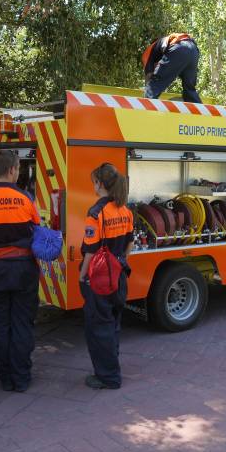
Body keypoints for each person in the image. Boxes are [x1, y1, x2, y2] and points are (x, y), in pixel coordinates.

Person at [0, 150, 41, 392]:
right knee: (22, 323)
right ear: (13, 170)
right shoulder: (26, 199)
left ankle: (5, 378)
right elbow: (37, 231)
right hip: (23, 269)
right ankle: (21, 377)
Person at [79, 163, 134, 389]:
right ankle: (112, 366)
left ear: (100, 184)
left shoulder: (96, 213)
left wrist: (83, 276)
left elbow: (90, 251)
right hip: (118, 276)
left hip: (99, 279)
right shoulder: (125, 210)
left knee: (99, 327)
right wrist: (120, 262)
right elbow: (130, 242)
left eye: (94, 182)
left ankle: (107, 377)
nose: (93, 186)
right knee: (113, 324)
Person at [142, 33, 202, 103]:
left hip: (179, 47)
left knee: (154, 84)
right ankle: (200, 111)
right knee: (189, 89)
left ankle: (147, 108)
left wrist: (148, 91)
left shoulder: (149, 51)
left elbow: (149, 75)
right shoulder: (164, 44)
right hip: (193, 50)